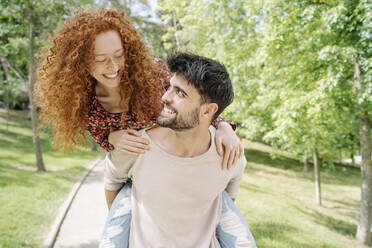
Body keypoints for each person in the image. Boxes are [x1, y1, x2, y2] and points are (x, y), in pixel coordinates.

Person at [36, 9, 243, 170]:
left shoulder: (152, 72)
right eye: (100, 59)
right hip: (132, 171)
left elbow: (189, 105)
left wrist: (224, 127)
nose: (113, 66)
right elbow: (100, 135)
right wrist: (111, 138)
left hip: (175, 159)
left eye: (119, 55)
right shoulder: (81, 101)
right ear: (81, 62)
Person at [101, 53, 256, 248]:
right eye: (169, 88)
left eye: (180, 93)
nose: (165, 97)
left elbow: (228, 198)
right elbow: (112, 182)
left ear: (207, 111)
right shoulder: (137, 145)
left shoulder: (228, 154)